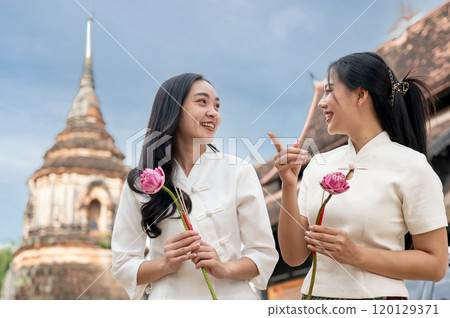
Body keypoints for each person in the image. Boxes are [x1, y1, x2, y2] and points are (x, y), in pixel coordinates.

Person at [269, 52, 448, 299]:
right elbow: (293, 256)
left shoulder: (412, 166)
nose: (322, 102)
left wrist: (356, 255)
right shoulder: (319, 165)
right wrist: (289, 186)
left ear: (361, 95)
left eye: (330, 91)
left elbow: (436, 265)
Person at [111, 73, 278, 300]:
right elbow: (123, 265)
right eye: (202, 102)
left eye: (217, 106)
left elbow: (263, 254)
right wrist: (166, 264)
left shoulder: (239, 170)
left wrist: (223, 268)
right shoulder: (141, 182)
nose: (214, 113)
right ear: (173, 109)